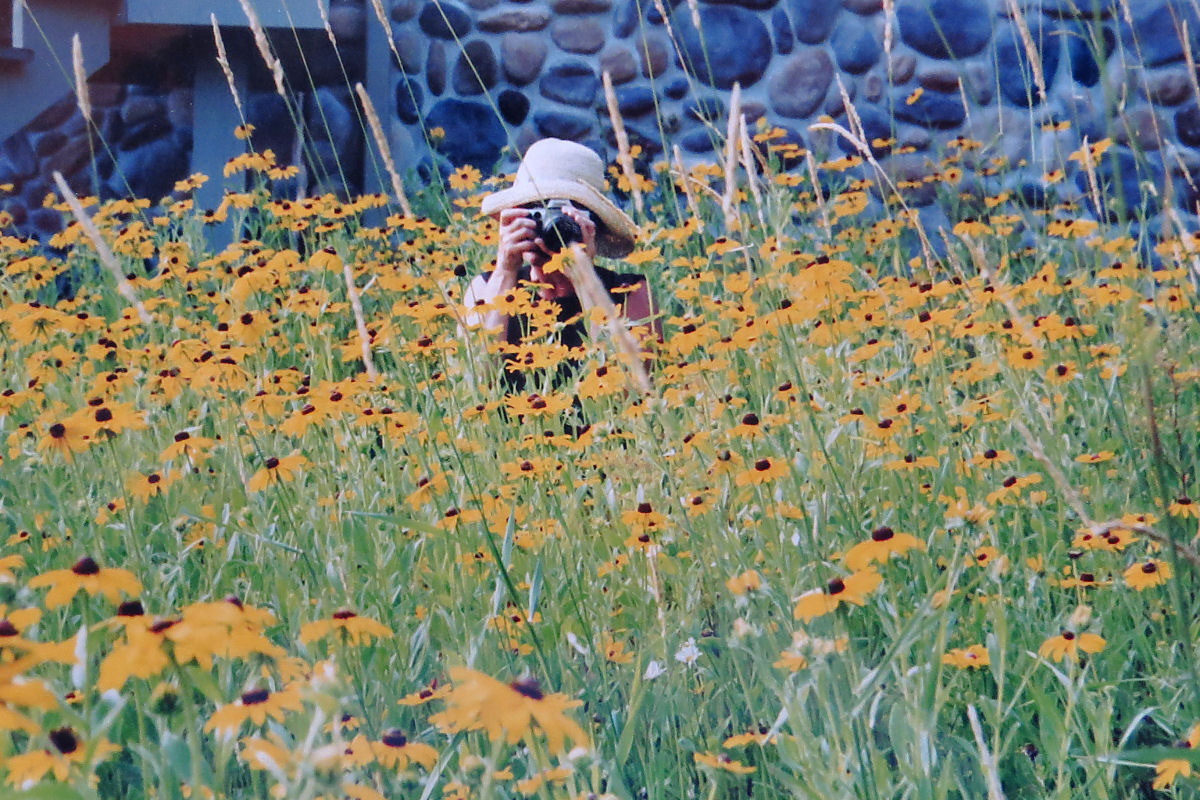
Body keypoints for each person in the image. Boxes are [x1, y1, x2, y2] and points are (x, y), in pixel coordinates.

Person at [463, 138, 658, 396]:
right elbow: (473, 389)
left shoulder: (630, 291)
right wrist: (505, 269)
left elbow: (630, 392)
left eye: (560, 215)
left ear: (592, 225)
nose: (548, 226)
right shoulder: (485, 289)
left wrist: (582, 274)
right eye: (533, 210)